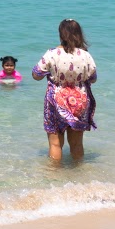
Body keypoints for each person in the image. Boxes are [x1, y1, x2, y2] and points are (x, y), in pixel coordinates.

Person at [32, 19, 97, 162]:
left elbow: (36, 74)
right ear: (79, 34)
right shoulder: (85, 55)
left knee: (55, 143)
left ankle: (55, 178)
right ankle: (79, 173)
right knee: (76, 143)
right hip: (79, 100)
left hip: (56, 100)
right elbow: (93, 78)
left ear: (61, 35)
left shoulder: (52, 53)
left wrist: (49, 73)